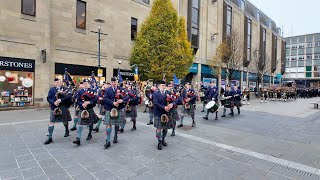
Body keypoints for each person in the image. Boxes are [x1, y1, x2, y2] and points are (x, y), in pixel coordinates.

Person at [44, 78, 73, 145]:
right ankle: (50, 137)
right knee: (51, 122)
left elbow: (69, 96)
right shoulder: (52, 89)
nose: (57, 83)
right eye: (56, 82)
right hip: (54, 108)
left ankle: (66, 130)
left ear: (61, 83)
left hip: (63, 107)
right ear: (54, 83)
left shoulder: (65, 88)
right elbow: (48, 98)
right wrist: (54, 102)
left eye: (59, 82)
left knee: (65, 121)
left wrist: (60, 100)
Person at [103, 77, 128, 149]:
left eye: (115, 82)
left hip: (119, 108)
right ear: (111, 83)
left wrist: (122, 100)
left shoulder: (121, 89)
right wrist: (113, 103)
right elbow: (105, 98)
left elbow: (127, 97)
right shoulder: (107, 90)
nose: (114, 83)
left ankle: (115, 136)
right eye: (113, 82)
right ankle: (107, 141)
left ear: (117, 82)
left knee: (117, 124)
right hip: (110, 108)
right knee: (108, 124)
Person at [72, 79, 99, 146]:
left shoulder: (93, 91)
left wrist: (89, 102)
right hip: (82, 109)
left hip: (89, 109)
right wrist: (82, 104)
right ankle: (78, 138)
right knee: (79, 123)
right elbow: (77, 100)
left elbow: (95, 99)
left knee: (90, 123)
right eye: (84, 83)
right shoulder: (80, 91)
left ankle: (90, 133)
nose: (85, 85)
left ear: (89, 84)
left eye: (86, 83)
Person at [153, 81, 177, 150]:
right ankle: (159, 141)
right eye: (162, 85)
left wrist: (172, 104)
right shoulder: (155, 93)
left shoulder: (168, 93)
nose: (163, 86)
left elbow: (175, 100)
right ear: (158, 86)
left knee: (165, 129)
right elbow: (155, 103)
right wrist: (164, 107)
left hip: (167, 113)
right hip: (158, 113)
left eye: (164, 85)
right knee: (158, 129)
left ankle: (163, 139)